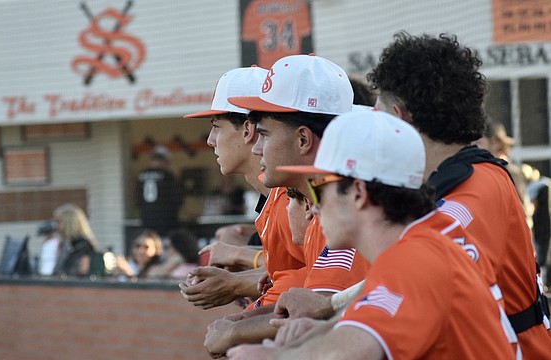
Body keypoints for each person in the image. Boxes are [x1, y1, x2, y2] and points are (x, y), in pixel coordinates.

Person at [228, 110, 515, 360]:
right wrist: (329, 327)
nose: (312, 207)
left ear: (358, 193)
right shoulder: (424, 240)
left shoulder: (416, 258)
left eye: (317, 187)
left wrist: (273, 356)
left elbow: (355, 350)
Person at [369, 32, 550, 356]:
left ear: (398, 117)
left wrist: (330, 306)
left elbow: (420, 273)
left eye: (377, 111)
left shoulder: (474, 189)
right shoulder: (464, 178)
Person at [199, 54, 368, 356]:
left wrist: (240, 328)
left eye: (263, 133)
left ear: (303, 139)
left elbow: (327, 311)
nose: (257, 147)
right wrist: (250, 313)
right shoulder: (323, 201)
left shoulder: (346, 211)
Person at [181, 66, 306, 312]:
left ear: (248, 130)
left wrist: (238, 282)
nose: (210, 140)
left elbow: (319, 281)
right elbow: (290, 274)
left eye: (216, 126)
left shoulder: (289, 197)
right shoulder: (272, 197)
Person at [135, 145, 185, 237]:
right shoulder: (169, 176)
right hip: (167, 225)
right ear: (165, 161)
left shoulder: (141, 175)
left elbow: (137, 200)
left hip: (147, 223)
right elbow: (178, 199)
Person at [51, 203, 101, 277]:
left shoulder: (84, 245)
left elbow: (82, 272)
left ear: (68, 223)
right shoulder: (66, 244)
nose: (56, 226)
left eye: (59, 222)